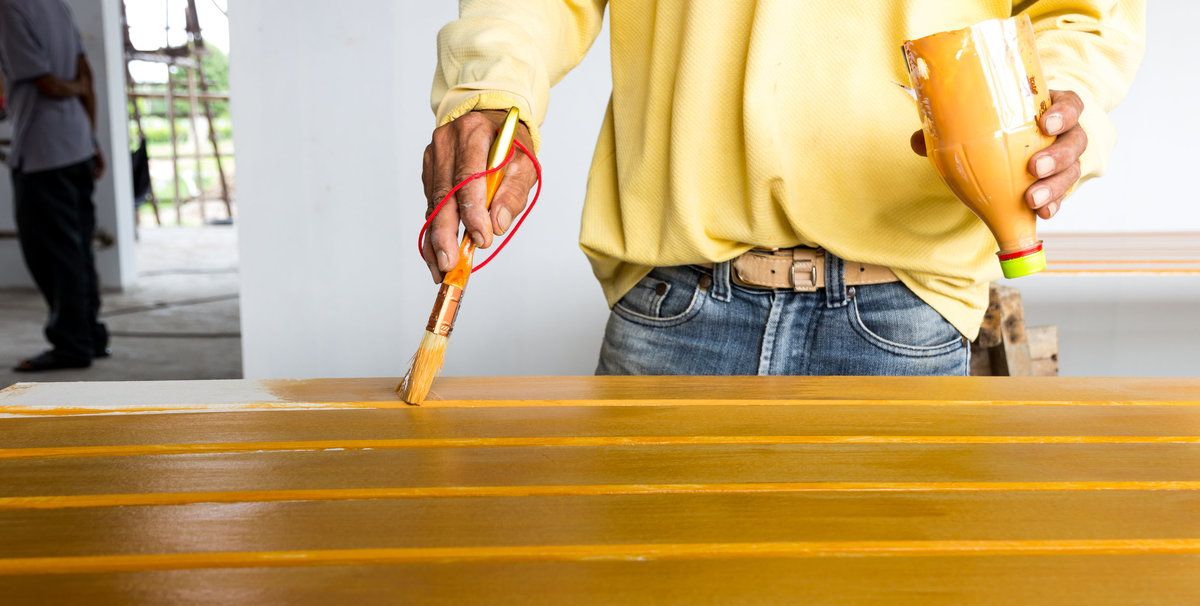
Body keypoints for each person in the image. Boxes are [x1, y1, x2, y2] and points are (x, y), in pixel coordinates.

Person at [422, 1, 1144, 376]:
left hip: (907, 309)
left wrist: (1054, 98)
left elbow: (1080, 18)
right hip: (673, 303)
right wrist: (490, 85)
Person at [0, 0, 107, 372]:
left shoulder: (11, 10)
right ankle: (91, 336)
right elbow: (85, 76)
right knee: (78, 248)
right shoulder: (56, 5)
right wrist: (91, 140)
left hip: (43, 151)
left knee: (51, 254)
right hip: (76, 144)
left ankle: (71, 344)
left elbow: (46, 82)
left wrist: (72, 87)